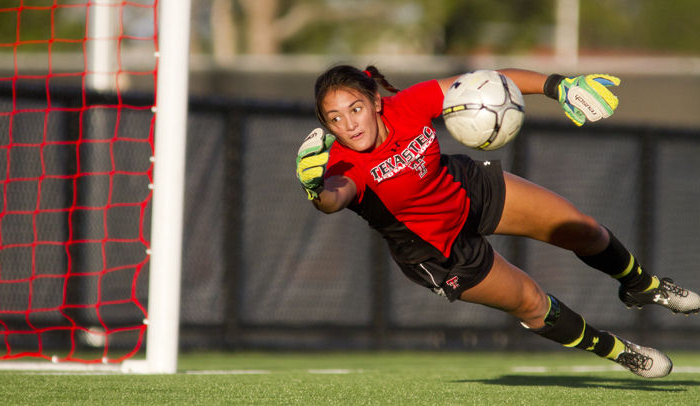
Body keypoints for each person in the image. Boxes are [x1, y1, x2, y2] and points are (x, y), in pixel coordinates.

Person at [295, 64, 700, 378]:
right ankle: (617, 350)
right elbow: (335, 197)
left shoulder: (410, 105)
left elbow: (490, 80)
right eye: (335, 118)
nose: (349, 124)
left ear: (376, 102)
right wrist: (317, 190)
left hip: (465, 188)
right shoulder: (343, 162)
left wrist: (558, 86)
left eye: (356, 108)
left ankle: (642, 286)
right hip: (437, 249)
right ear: (326, 125)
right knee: (532, 301)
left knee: (581, 227)